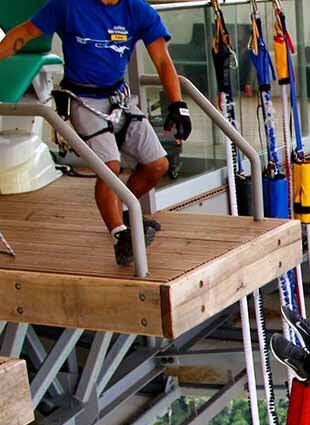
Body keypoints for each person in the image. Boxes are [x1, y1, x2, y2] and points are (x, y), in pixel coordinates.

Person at [0, 0, 192, 266]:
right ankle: (119, 236)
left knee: (157, 165)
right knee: (109, 168)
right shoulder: (68, 6)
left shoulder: (137, 10)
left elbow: (161, 59)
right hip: (82, 99)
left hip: (119, 99)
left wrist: (178, 105)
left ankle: (121, 213)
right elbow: (23, 34)